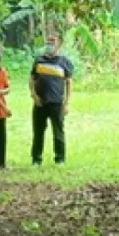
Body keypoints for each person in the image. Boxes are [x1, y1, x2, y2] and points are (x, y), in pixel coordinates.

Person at [30, 32, 74, 166]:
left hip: (57, 103)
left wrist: (66, 103)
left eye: (52, 41)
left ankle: (60, 159)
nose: (49, 44)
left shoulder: (64, 62)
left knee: (58, 132)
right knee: (38, 132)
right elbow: (32, 79)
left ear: (58, 44)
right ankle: (36, 159)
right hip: (40, 103)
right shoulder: (39, 60)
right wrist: (34, 95)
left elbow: (69, 82)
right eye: (48, 41)